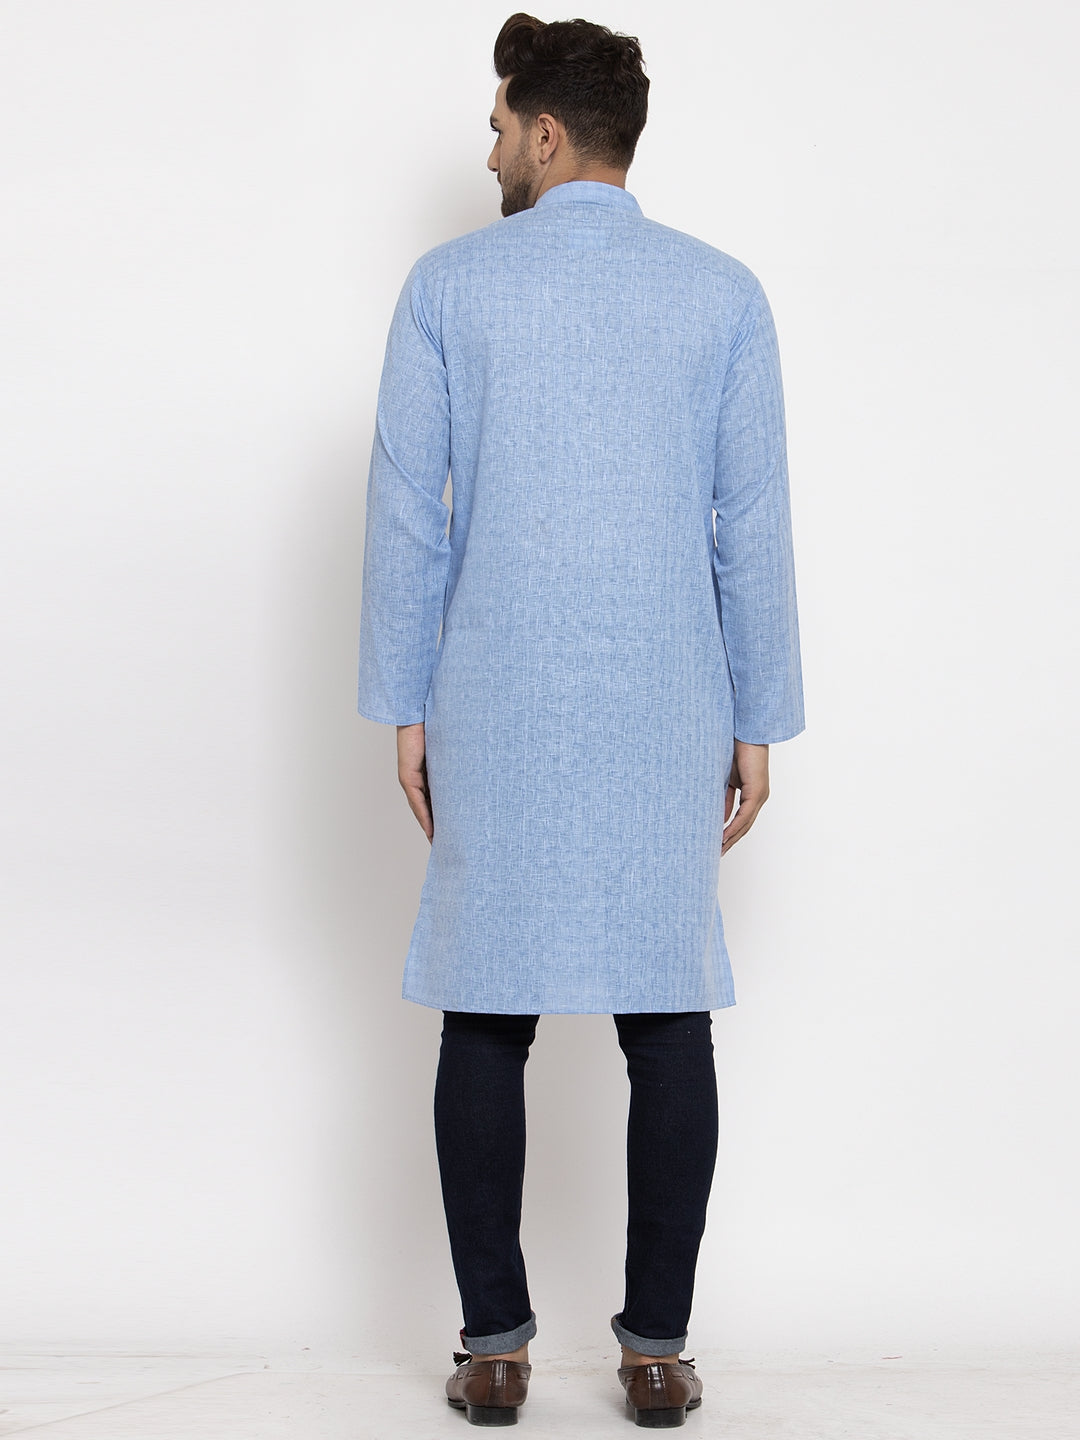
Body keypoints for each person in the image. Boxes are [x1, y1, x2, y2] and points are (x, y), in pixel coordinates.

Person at [356, 12, 805, 1428]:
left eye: (500, 127)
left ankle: (493, 1346)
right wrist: (757, 715)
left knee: (486, 1017)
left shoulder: (448, 288)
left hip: (493, 695)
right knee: (666, 1022)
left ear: (547, 136)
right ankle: (656, 1350)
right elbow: (752, 524)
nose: (490, 149)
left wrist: (404, 703)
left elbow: (406, 514)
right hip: (670, 698)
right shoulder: (723, 294)